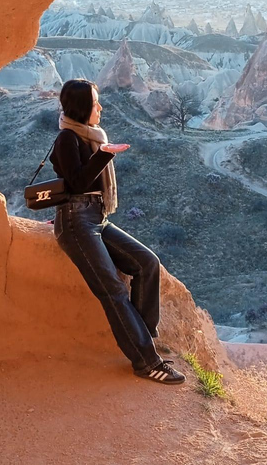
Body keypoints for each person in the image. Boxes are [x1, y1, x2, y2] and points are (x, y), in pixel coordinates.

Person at [49, 78, 185, 385]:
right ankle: (146, 362)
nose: (100, 107)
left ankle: (144, 337)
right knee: (112, 289)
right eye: (95, 102)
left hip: (95, 219)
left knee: (147, 263)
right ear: (83, 106)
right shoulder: (67, 138)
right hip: (75, 222)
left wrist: (102, 150)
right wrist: (105, 153)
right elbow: (77, 184)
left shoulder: (90, 135)